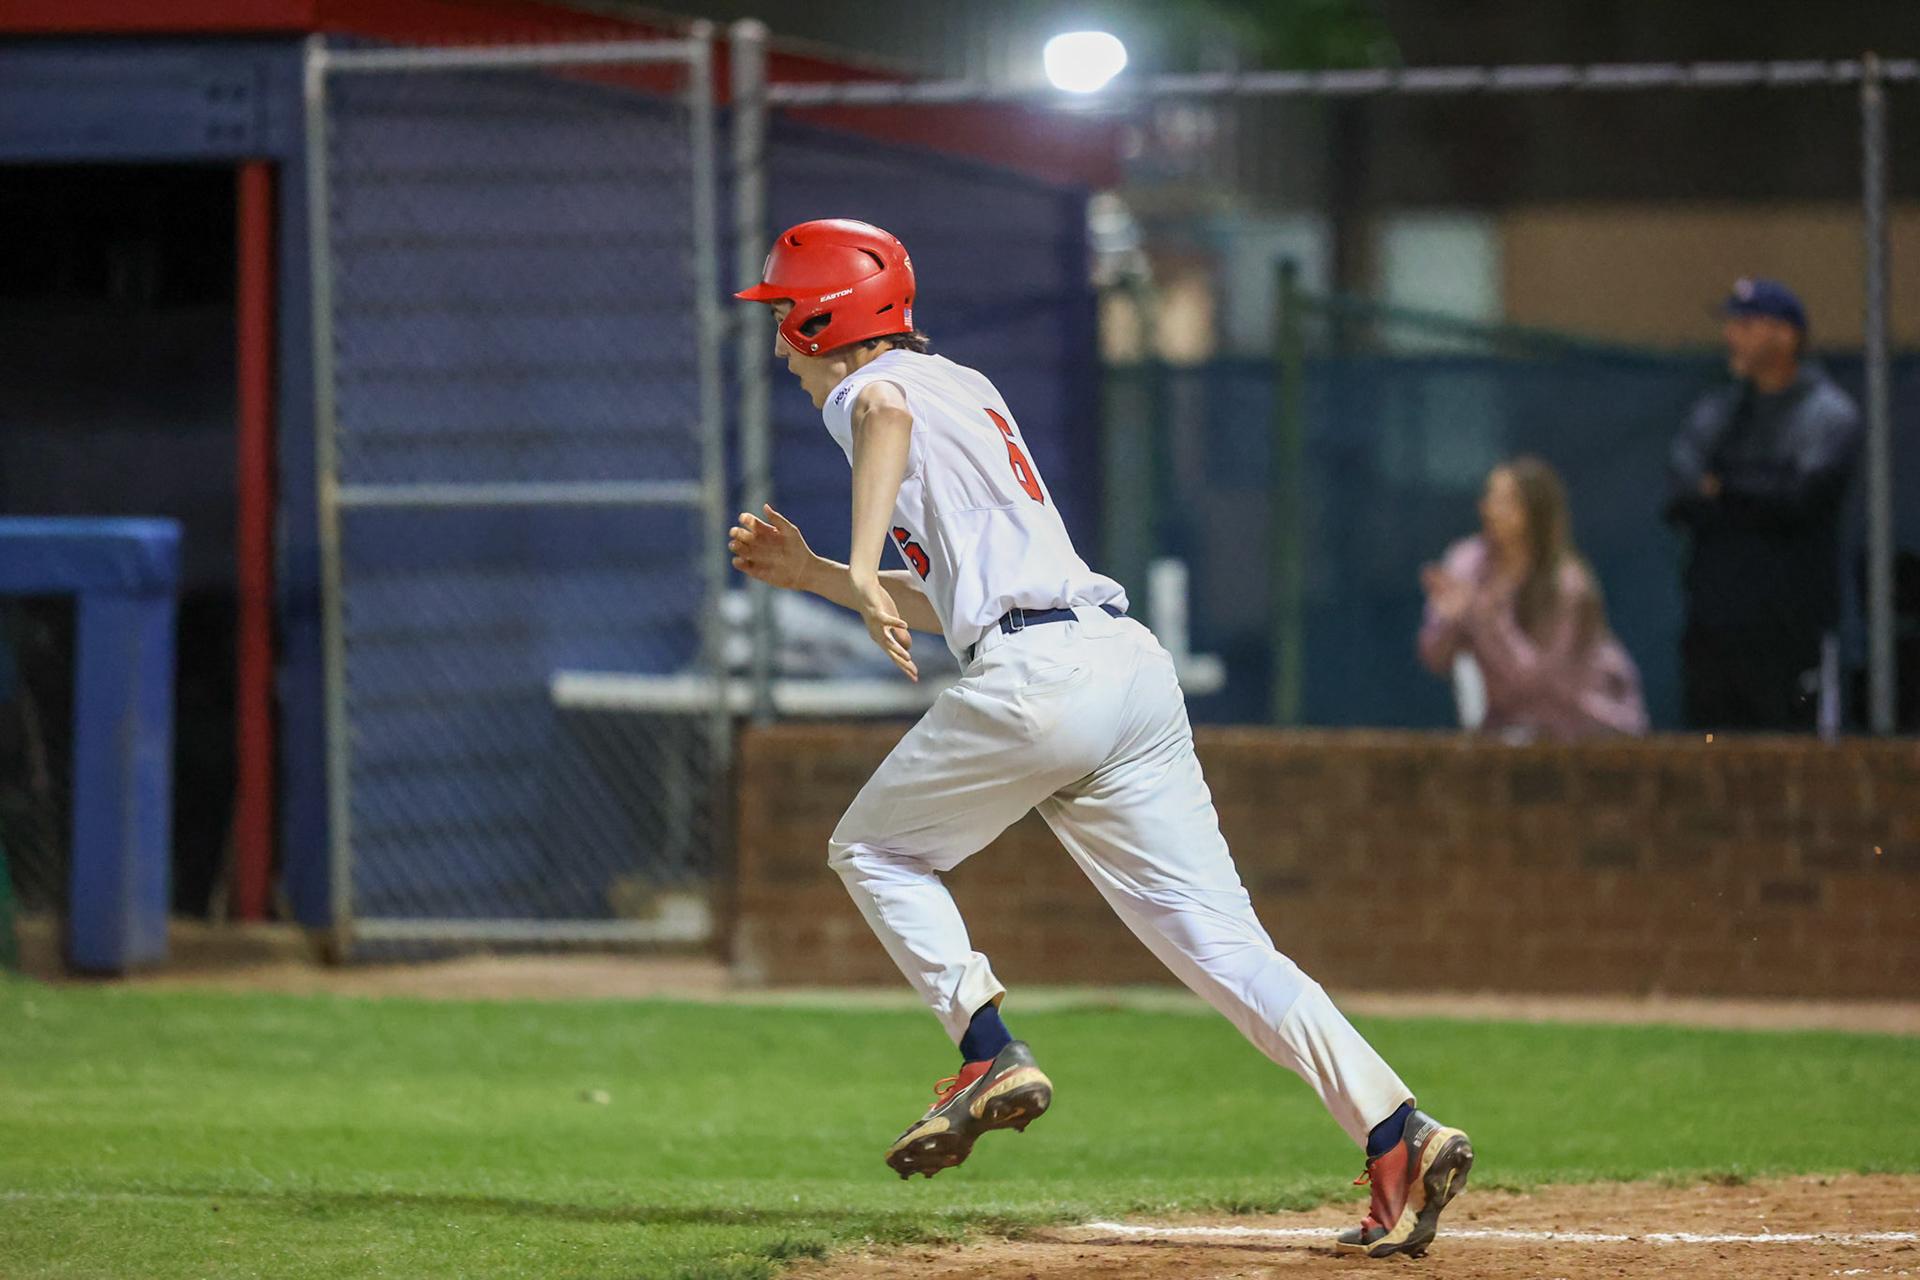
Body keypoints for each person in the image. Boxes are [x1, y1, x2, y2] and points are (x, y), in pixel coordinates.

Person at [729, 218, 1472, 1259]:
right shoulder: (971, 385)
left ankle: (986, 1048)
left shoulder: (870, 389)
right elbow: (959, 595)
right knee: (1229, 949)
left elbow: (881, 410)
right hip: (1123, 667)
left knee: (872, 847)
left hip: (1042, 680)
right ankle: (1397, 1130)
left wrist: (853, 565)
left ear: (825, 317)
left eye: (783, 320)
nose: (778, 348)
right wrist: (821, 572)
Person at [1665, 278, 1862, 732]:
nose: (1734, 336)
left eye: (1749, 324)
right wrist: (1756, 490)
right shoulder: (1716, 410)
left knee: (1795, 758)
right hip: (1714, 627)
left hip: (1791, 630)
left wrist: (1726, 488)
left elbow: (1799, 500)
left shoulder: (1826, 414)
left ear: (1787, 335)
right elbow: (1681, 494)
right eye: (1732, 324)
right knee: (1710, 754)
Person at [1419, 457, 1648, 742]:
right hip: (1513, 730)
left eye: (1506, 501)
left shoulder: (1567, 584)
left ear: (1533, 513)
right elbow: (1434, 655)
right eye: (1489, 496)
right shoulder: (1468, 562)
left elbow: (1535, 680)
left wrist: (1482, 617)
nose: (1490, 508)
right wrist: (1449, 621)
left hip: (1589, 724)